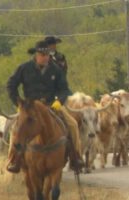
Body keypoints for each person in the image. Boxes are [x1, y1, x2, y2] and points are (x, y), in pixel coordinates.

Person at [6, 40, 83, 173]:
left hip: (51, 105)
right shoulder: (24, 68)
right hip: (29, 107)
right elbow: (11, 85)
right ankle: (13, 160)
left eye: (47, 55)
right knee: (16, 129)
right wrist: (19, 103)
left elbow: (64, 89)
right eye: (42, 55)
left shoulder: (56, 69)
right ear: (36, 55)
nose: (45, 57)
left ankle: (76, 156)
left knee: (72, 125)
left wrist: (59, 101)